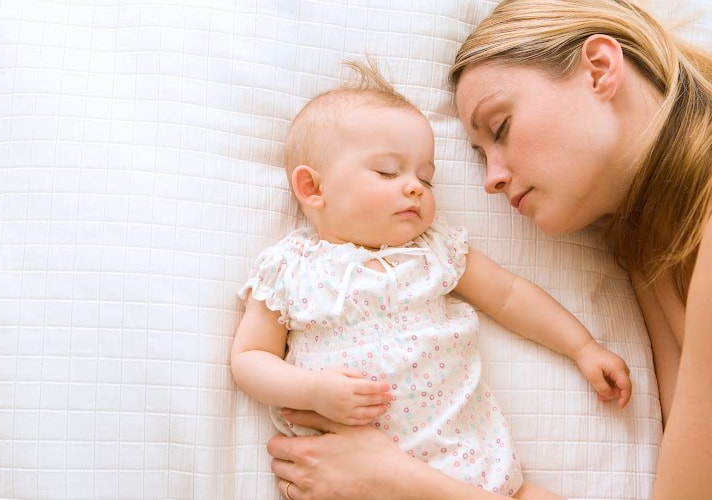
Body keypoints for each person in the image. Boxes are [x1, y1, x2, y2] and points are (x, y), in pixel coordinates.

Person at [263, 1, 712, 499]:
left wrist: (395, 480)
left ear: (600, 69)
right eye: (479, 155)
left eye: (500, 128)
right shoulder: (655, 263)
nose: (491, 180)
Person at [231, 60, 632, 499]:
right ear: (312, 189)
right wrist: (312, 390)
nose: (415, 187)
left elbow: (509, 295)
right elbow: (250, 357)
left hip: (470, 464)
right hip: (344, 471)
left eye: (426, 177)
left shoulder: (433, 249)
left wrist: (582, 347)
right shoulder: (291, 267)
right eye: (388, 171)